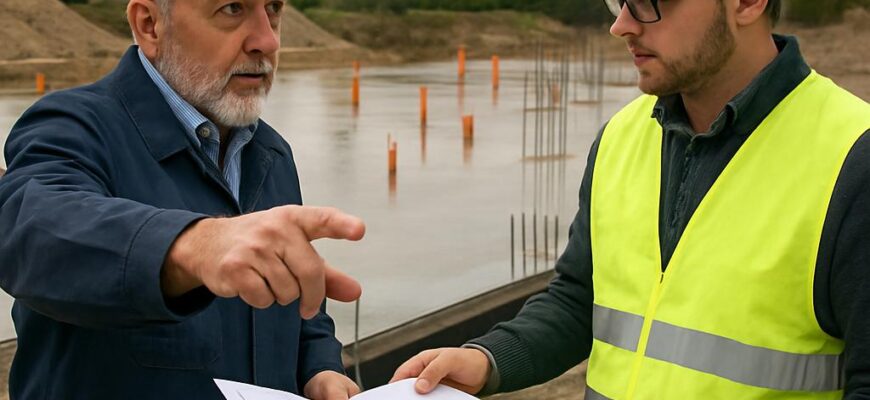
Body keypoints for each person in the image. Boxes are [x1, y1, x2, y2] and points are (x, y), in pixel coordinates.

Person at [393, 0, 870, 398]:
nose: (620, 24)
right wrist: (487, 358)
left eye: (647, 1)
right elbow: (580, 300)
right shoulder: (621, 136)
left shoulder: (852, 157)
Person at [0, 1, 365, 399]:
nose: (268, 39)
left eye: (273, 9)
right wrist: (194, 246)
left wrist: (320, 367)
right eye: (231, 9)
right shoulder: (73, 126)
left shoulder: (272, 153)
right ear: (150, 25)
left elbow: (296, 305)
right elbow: (28, 230)